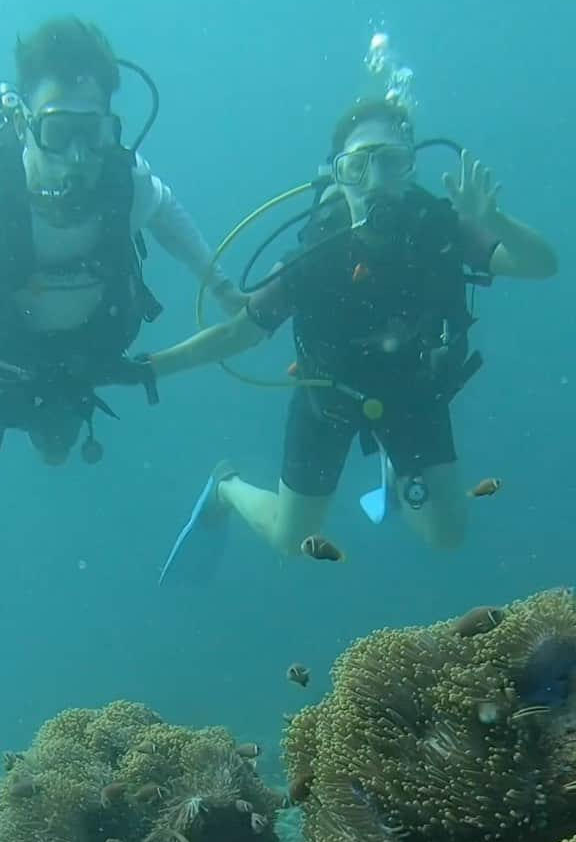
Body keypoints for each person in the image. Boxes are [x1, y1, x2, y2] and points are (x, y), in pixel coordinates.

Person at [0, 16, 242, 722]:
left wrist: (222, 283)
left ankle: (30, 451)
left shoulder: (124, 180)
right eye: (56, 130)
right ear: (21, 121)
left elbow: (165, 211)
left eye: (92, 131)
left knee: (52, 451)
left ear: (112, 124)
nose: (77, 156)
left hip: (71, 372)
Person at [145, 98, 557, 577]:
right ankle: (226, 486)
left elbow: (541, 265)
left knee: (447, 536)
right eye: (358, 165)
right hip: (329, 403)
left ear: (411, 167)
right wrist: (150, 367)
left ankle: (394, 467)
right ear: (338, 176)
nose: (376, 179)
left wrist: (497, 220)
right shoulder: (316, 251)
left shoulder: (440, 229)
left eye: (391, 161)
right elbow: (238, 335)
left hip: (414, 395)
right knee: (292, 541)